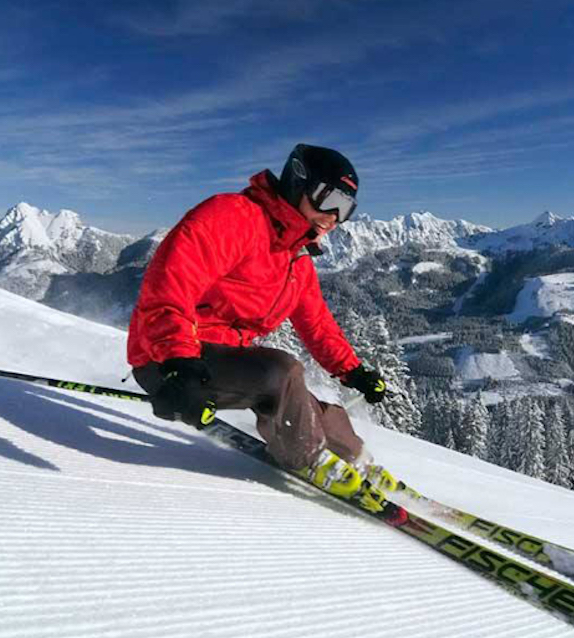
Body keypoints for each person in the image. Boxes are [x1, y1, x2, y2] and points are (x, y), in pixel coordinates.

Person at [127, 144, 396, 509]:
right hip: (172, 362)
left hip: (222, 362)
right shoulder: (232, 217)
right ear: (298, 184)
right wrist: (178, 364)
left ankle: (356, 460)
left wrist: (353, 371)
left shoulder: (295, 259)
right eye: (328, 199)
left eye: (345, 209)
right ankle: (311, 460)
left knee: (305, 404)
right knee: (282, 373)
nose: (333, 217)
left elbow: (317, 324)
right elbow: (169, 285)